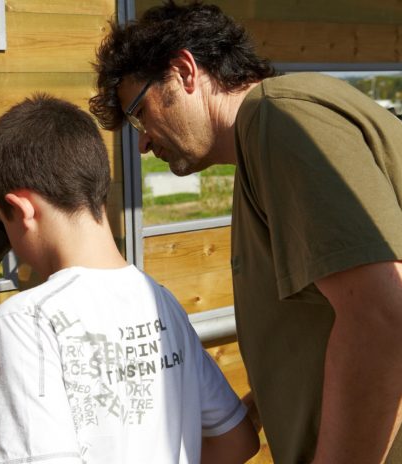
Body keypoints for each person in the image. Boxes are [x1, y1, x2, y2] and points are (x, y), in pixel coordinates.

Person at [88, 2, 402, 463]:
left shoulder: (278, 120)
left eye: (139, 114)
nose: (142, 142)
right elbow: (325, 320)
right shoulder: (264, 141)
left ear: (183, 71)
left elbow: (381, 317)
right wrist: (257, 408)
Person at [0, 93, 259, 464]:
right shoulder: (160, 300)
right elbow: (237, 441)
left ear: (23, 210)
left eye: (4, 223)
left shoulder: (27, 318)